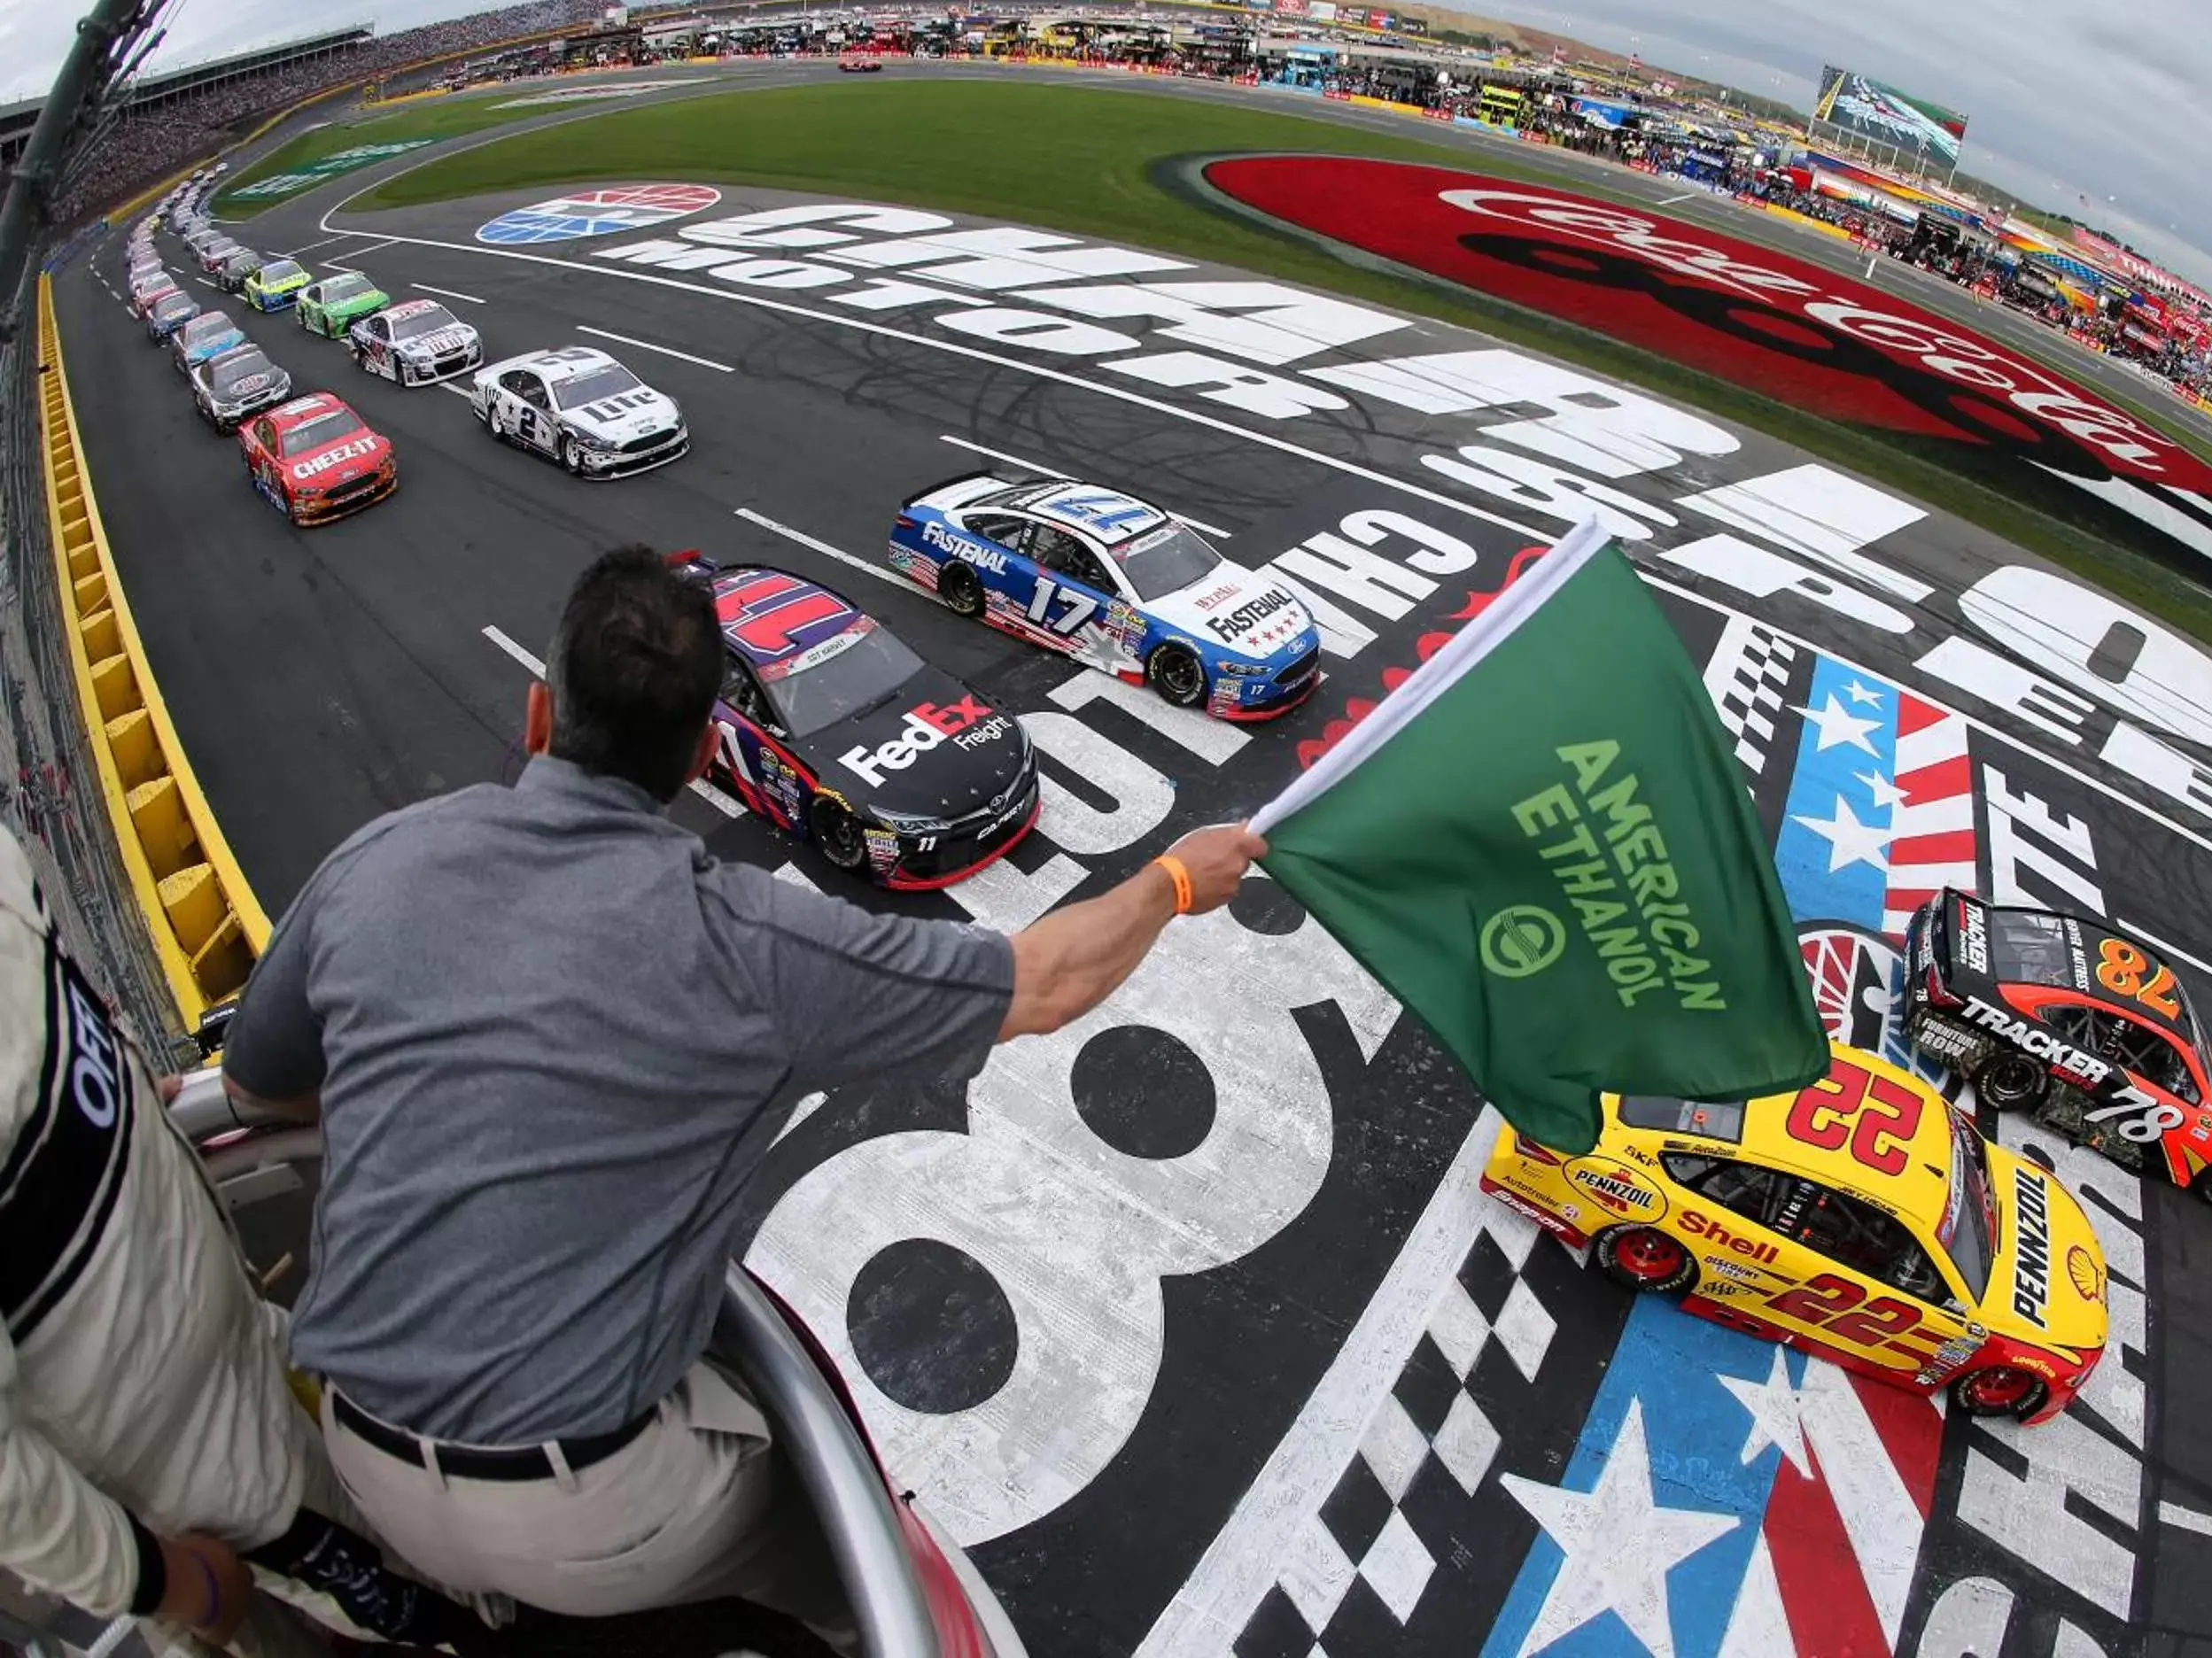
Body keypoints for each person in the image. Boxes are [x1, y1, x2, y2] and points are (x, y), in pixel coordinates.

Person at [221, 545, 1264, 1630]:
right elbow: (1049, 981)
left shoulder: (375, 858)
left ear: (540, 712)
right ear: (699, 753)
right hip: (583, 1508)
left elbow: (257, 1093)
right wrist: (1176, 878)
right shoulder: (750, 941)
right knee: (875, 1565)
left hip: (352, 1451)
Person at [0, 825, 487, 1656]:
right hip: (197, 1478)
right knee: (424, 1612)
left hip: (243, 1341)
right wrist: (169, 1582)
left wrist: (114, 1093)